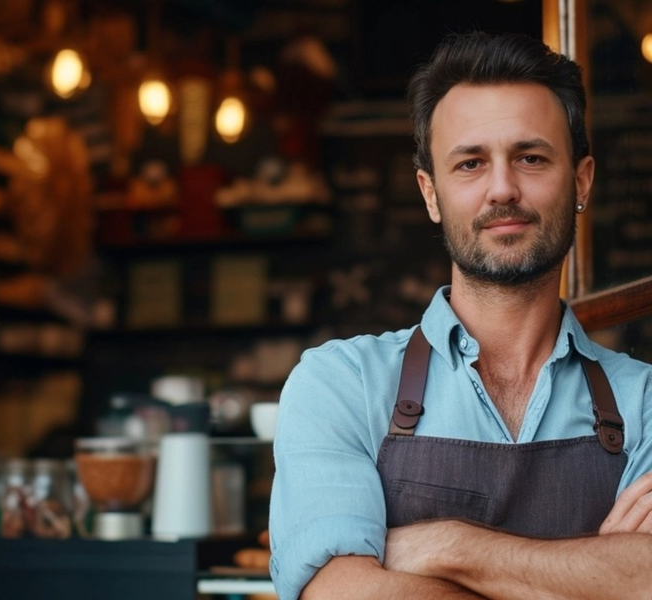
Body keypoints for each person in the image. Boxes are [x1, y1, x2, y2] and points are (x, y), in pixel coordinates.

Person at [268, 31, 652, 600]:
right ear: (430, 194)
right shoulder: (341, 385)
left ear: (581, 181)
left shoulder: (644, 403)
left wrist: (447, 546)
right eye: (471, 163)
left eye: (531, 158)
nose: (502, 189)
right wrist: (598, 573)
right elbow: (339, 592)